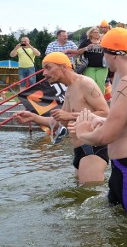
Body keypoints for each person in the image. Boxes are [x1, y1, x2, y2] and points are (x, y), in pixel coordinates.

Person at [74, 28, 127, 214]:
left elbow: (106, 136)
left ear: (112, 54)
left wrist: (83, 134)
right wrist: (96, 119)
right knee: (121, 230)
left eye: (104, 52)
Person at [13, 52, 110, 183]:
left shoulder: (85, 83)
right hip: (79, 150)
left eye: (48, 68)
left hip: (93, 148)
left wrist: (70, 115)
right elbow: (60, 122)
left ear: (63, 67)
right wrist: (33, 117)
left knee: (90, 193)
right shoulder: (70, 89)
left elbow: (105, 113)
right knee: (80, 198)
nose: (44, 73)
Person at [71, 27, 108, 93]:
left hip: (102, 67)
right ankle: (90, 100)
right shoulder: (86, 42)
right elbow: (78, 52)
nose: (97, 33)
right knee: (90, 84)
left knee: (101, 83)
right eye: (95, 32)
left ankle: (100, 100)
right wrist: (86, 48)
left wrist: (104, 47)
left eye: (98, 32)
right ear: (91, 34)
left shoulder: (103, 41)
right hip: (89, 66)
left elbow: (109, 51)